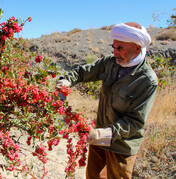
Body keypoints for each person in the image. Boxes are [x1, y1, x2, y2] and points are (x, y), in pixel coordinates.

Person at [56, 22, 158, 179]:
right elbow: (83, 73)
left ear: (137, 48)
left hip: (122, 146)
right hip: (99, 139)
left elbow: (135, 122)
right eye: (114, 47)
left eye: (120, 48)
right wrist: (64, 82)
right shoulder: (109, 63)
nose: (115, 52)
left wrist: (99, 134)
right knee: (93, 176)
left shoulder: (147, 81)